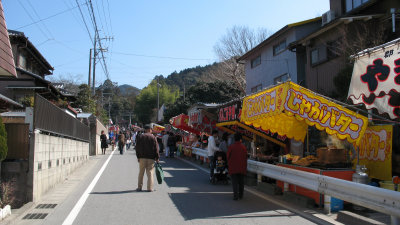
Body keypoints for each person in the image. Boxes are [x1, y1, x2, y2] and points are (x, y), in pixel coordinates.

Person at [135, 125, 160, 192]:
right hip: (151, 158)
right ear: (149, 129)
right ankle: (150, 188)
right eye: (151, 129)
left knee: (141, 173)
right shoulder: (153, 137)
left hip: (142, 157)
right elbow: (156, 149)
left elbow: (137, 148)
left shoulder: (140, 137)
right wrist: (157, 158)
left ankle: (139, 187)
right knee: (150, 173)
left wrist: (138, 156)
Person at [227, 133, 248, 200]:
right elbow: (245, 157)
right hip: (242, 167)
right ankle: (241, 195)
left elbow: (228, 156)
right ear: (240, 139)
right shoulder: (243, 147)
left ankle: (235, 196)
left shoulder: (231, 147)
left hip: (233, 167)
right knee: (241, 182)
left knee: (234, 182)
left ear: (234, 139)